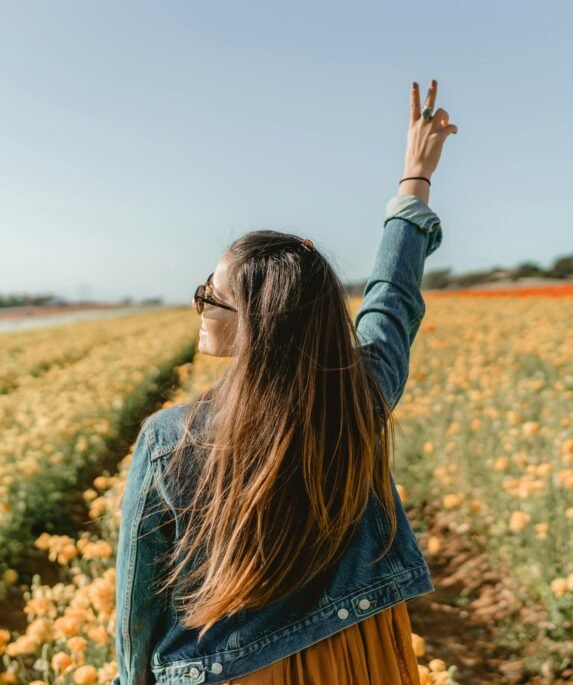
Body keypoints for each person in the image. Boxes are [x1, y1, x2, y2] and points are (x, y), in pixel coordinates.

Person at [113, 79, 458, 685]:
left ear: (260, 322)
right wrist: (415, 178)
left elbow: (138, 616)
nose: (199, 307)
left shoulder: (170, 440)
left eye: (210, 297)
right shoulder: (359, 398)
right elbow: (391, 302)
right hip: (358, 654)